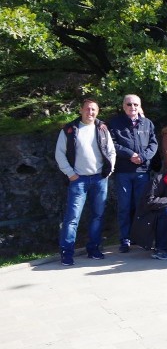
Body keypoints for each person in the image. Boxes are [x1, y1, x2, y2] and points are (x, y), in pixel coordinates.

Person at [55, 98, 116, 265]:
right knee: (72, 217)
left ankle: (94, 249)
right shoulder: (69, 129)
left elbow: (111, 151)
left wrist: (109, 170)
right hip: (78, 180)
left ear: (98, 112)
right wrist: (70, 174)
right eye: (88, 109)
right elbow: (59, 154)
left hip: (99, 178)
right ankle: (67, 253)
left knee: (97, 216)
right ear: (81, 110)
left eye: (94, 110)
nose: (91, 112)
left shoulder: (102, 128)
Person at [110, 94, 158, 253]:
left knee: (142, 206)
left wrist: (143, 157)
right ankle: (125, 239)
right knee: (124, 206)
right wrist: (130, 154)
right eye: (129, 104)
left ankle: (141, 238)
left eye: (136, 104)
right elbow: (112, 144)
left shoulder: (147, 123)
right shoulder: (116, 123)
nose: (133, 107)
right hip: (123, 172)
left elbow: (153, 144)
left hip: (142, 172)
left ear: (140, 106)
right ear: (124, 106)